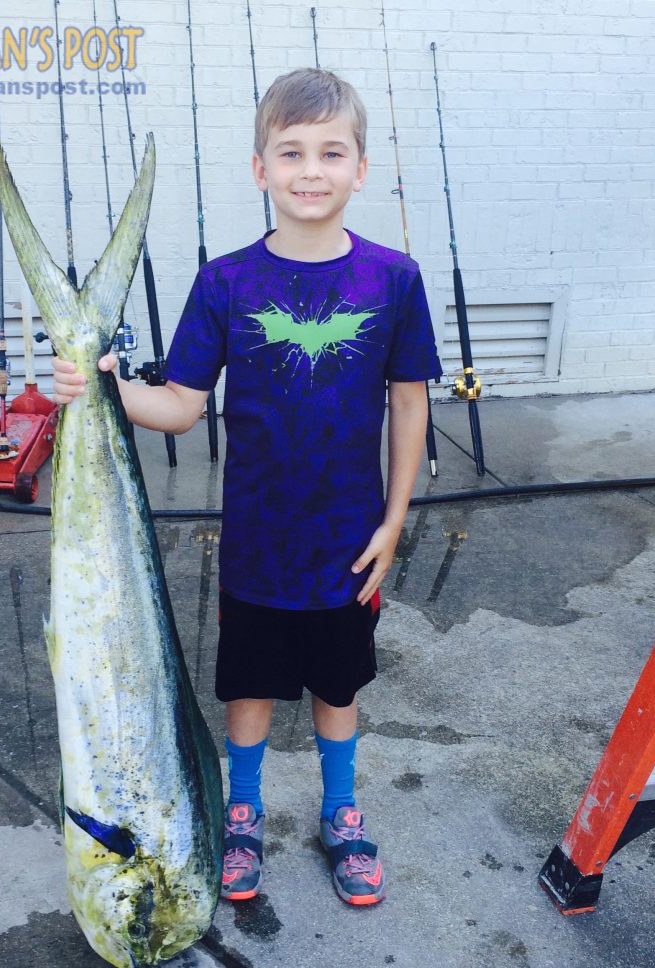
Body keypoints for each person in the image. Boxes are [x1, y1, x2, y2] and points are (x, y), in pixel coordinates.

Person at [52, 68, 441, 905]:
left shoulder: (394, 280)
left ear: (360, 168)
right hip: (257, 540)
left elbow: (410, 405)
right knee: (250, 687)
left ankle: (342, 813)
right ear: (259, 167)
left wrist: (395, 518)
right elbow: (184, 406)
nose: (311, 169)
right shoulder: (227, 282)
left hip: (350, 537)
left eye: (331, 152)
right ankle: (243, 814)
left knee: (340, 686)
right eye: (291, 151)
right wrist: (104, 385)